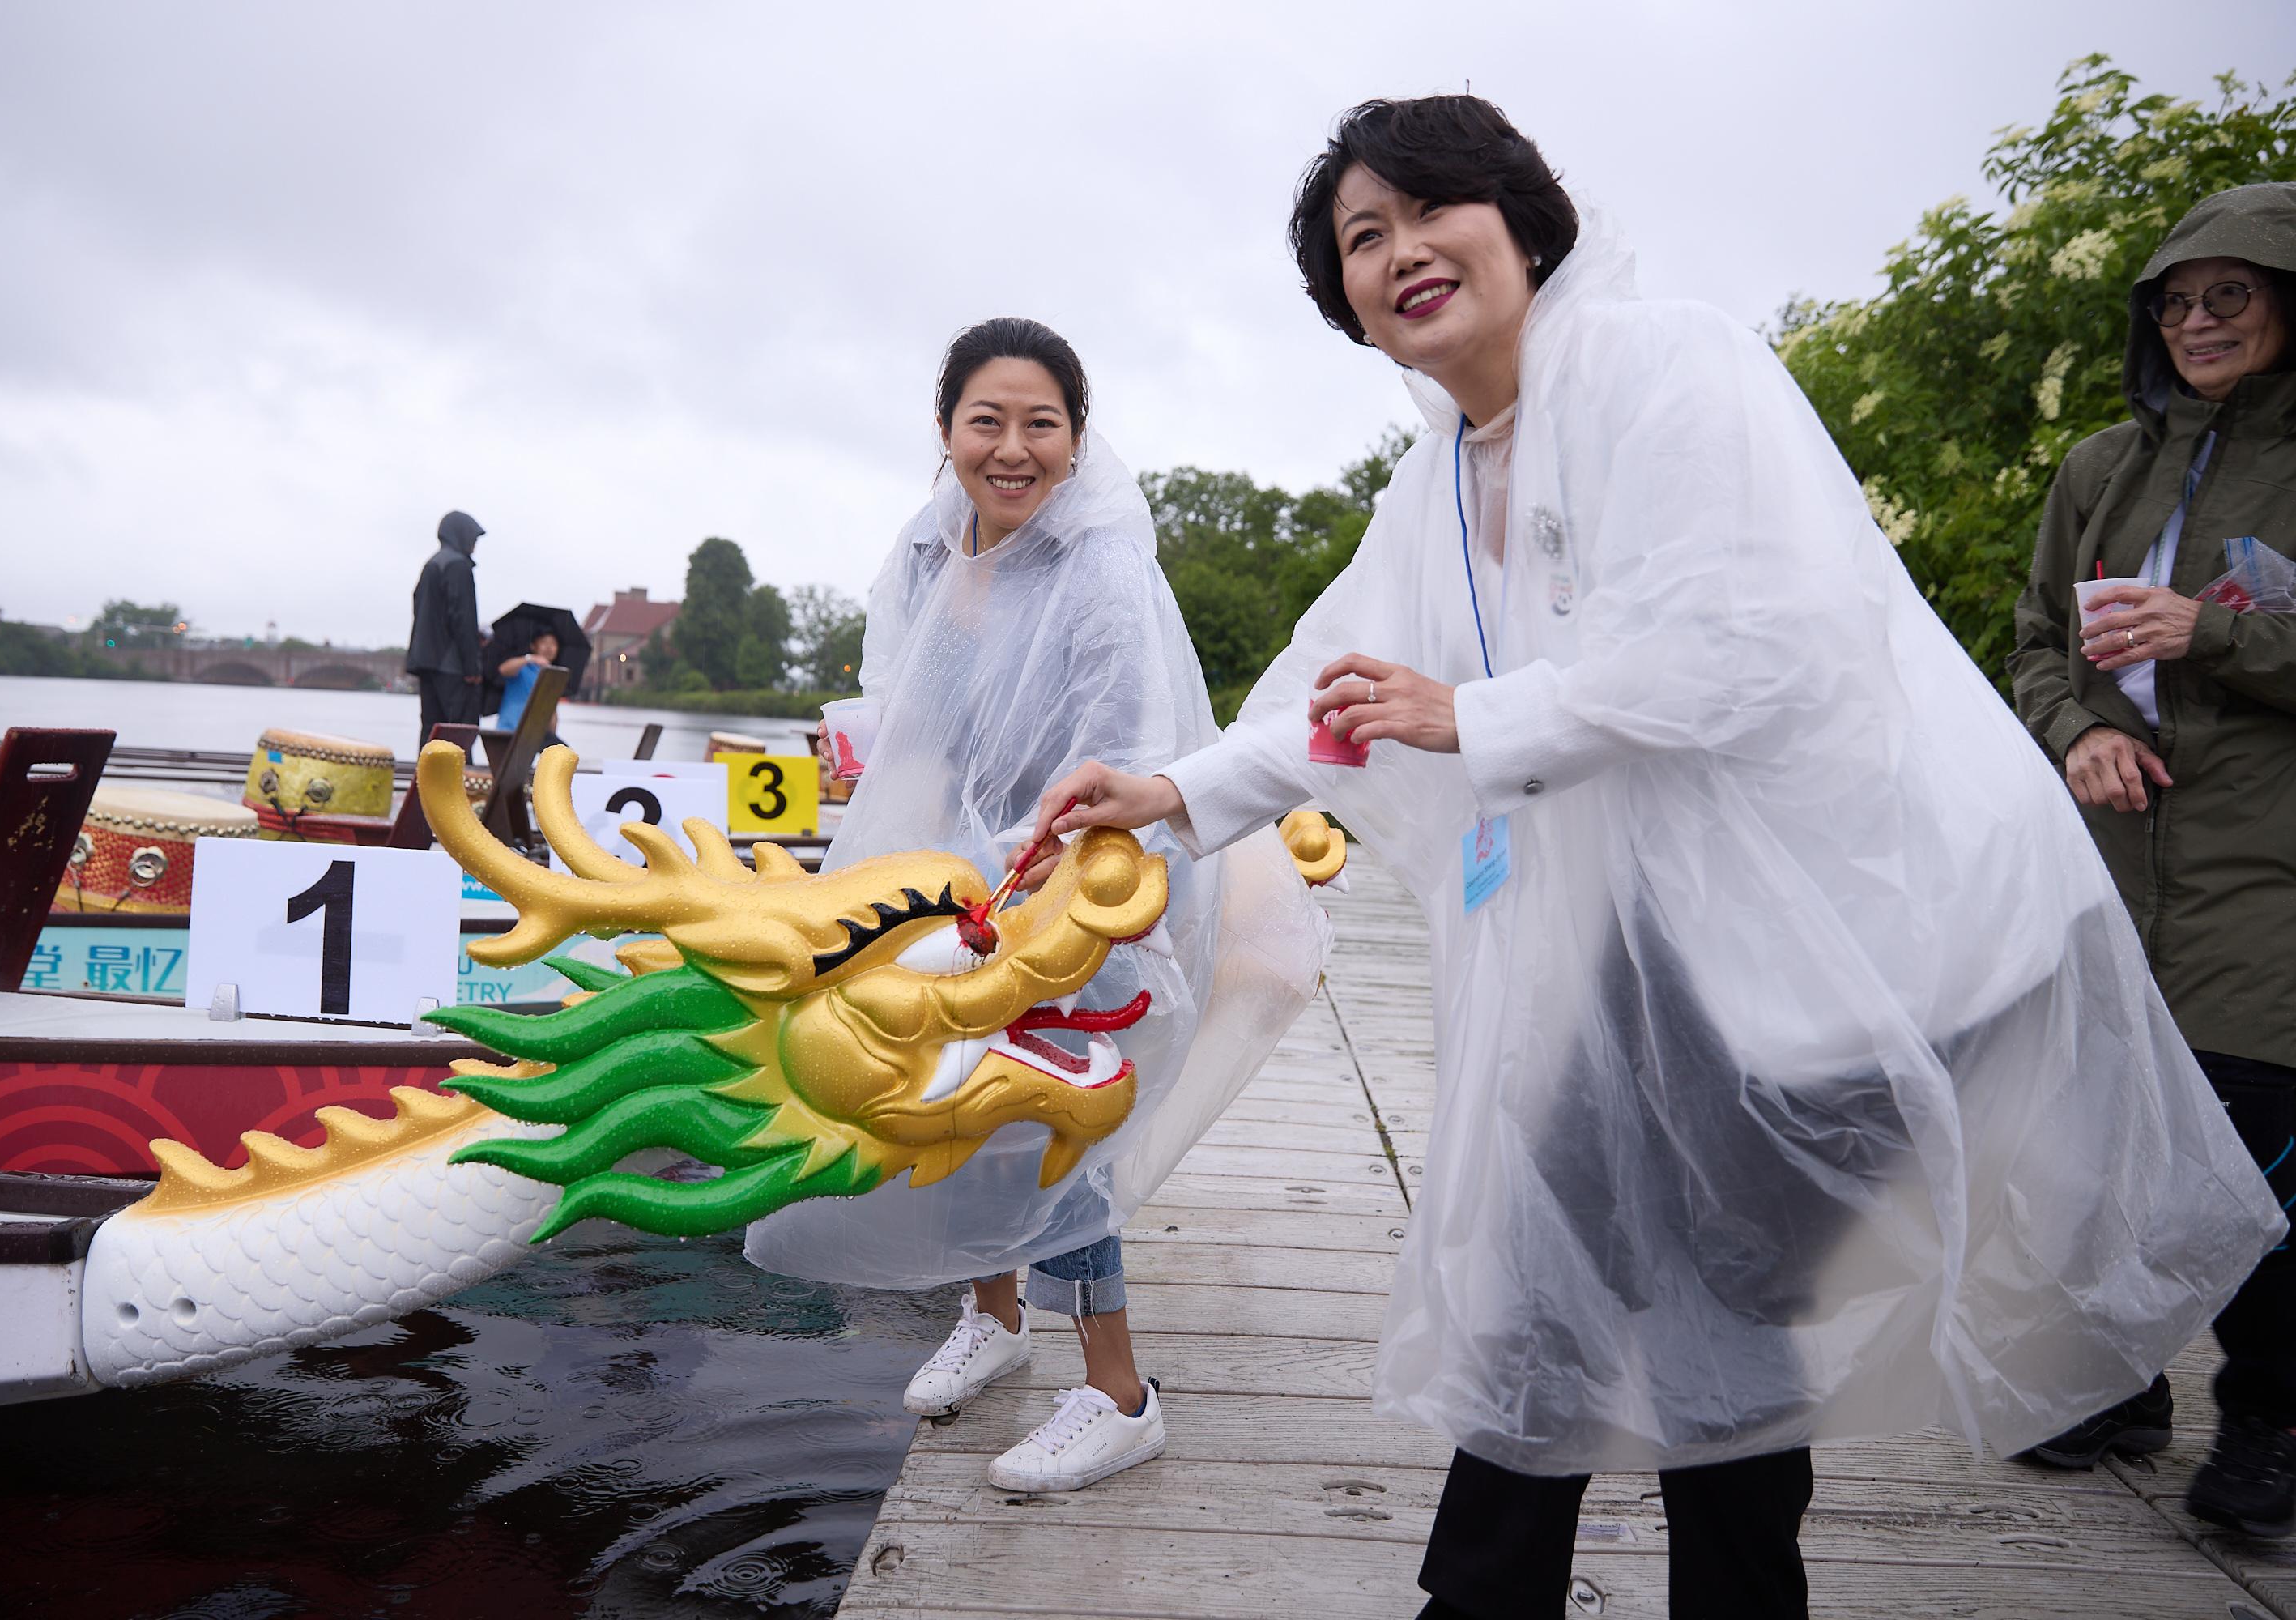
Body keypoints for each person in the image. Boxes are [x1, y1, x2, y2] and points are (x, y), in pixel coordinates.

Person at [1025, 96, 2281, 1618]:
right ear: (1343, 300)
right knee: (1555, 1276)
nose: (1404, 251)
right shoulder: (1438, 476)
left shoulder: (1663, 364)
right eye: (1363, 238)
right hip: (1655, 952)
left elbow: (1749, 644)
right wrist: (1163, 787)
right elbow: (1340, 698)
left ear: (1524, 221)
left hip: (1842, 927)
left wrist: (1470, 717)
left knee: (1710, 1305)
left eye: (1434, 209)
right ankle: (1501, 1600)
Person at [742, 318, 1326, 1494]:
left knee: (1067, 1135)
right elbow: (906, 707)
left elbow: (1124, 742)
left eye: (1041, 424)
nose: (1012, 449)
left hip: (1078, 883)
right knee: (960, 1112)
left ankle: (1118, 1392)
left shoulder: (1102, 564)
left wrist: (1018, 874)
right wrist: (862, 756)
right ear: (948, 430)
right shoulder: (924, 552)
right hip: (956, 883)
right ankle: (995, 1317)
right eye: (986, 422)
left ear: (1077, 437)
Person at [2011, 181, 2296, 1535]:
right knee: (2104, 1140)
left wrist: (2214, 633)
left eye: (2230, 294)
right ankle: (2117, 1384)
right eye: (2177, 301)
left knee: (2256, 1160)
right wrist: (2076, 733)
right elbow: (2033, 648)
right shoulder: (2097, 472)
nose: (2198, 321)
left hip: (2268, 870)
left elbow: (2208, 636)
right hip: (2113, 861)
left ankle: (2273, 1427)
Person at [407, 509, 485, 739]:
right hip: (452, 666)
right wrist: (472, 667)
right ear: (461, 535)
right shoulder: (458, 566)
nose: (474, 545)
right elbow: (462, 618)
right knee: (457, 734)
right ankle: (457, 776)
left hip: (426, 661)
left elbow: (421, 608)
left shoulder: (432, 565)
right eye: (473, 538)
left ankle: (425, 776)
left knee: (431, 732)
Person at [496, 629, 560, 733]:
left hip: (534, 735)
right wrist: (530, 658)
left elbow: (552, 710)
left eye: (553, 644)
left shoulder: (553, 676)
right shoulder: (523, 668)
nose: (549, 647)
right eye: (544, 642)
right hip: (509, 730)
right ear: (533, 646)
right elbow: (503, 669)